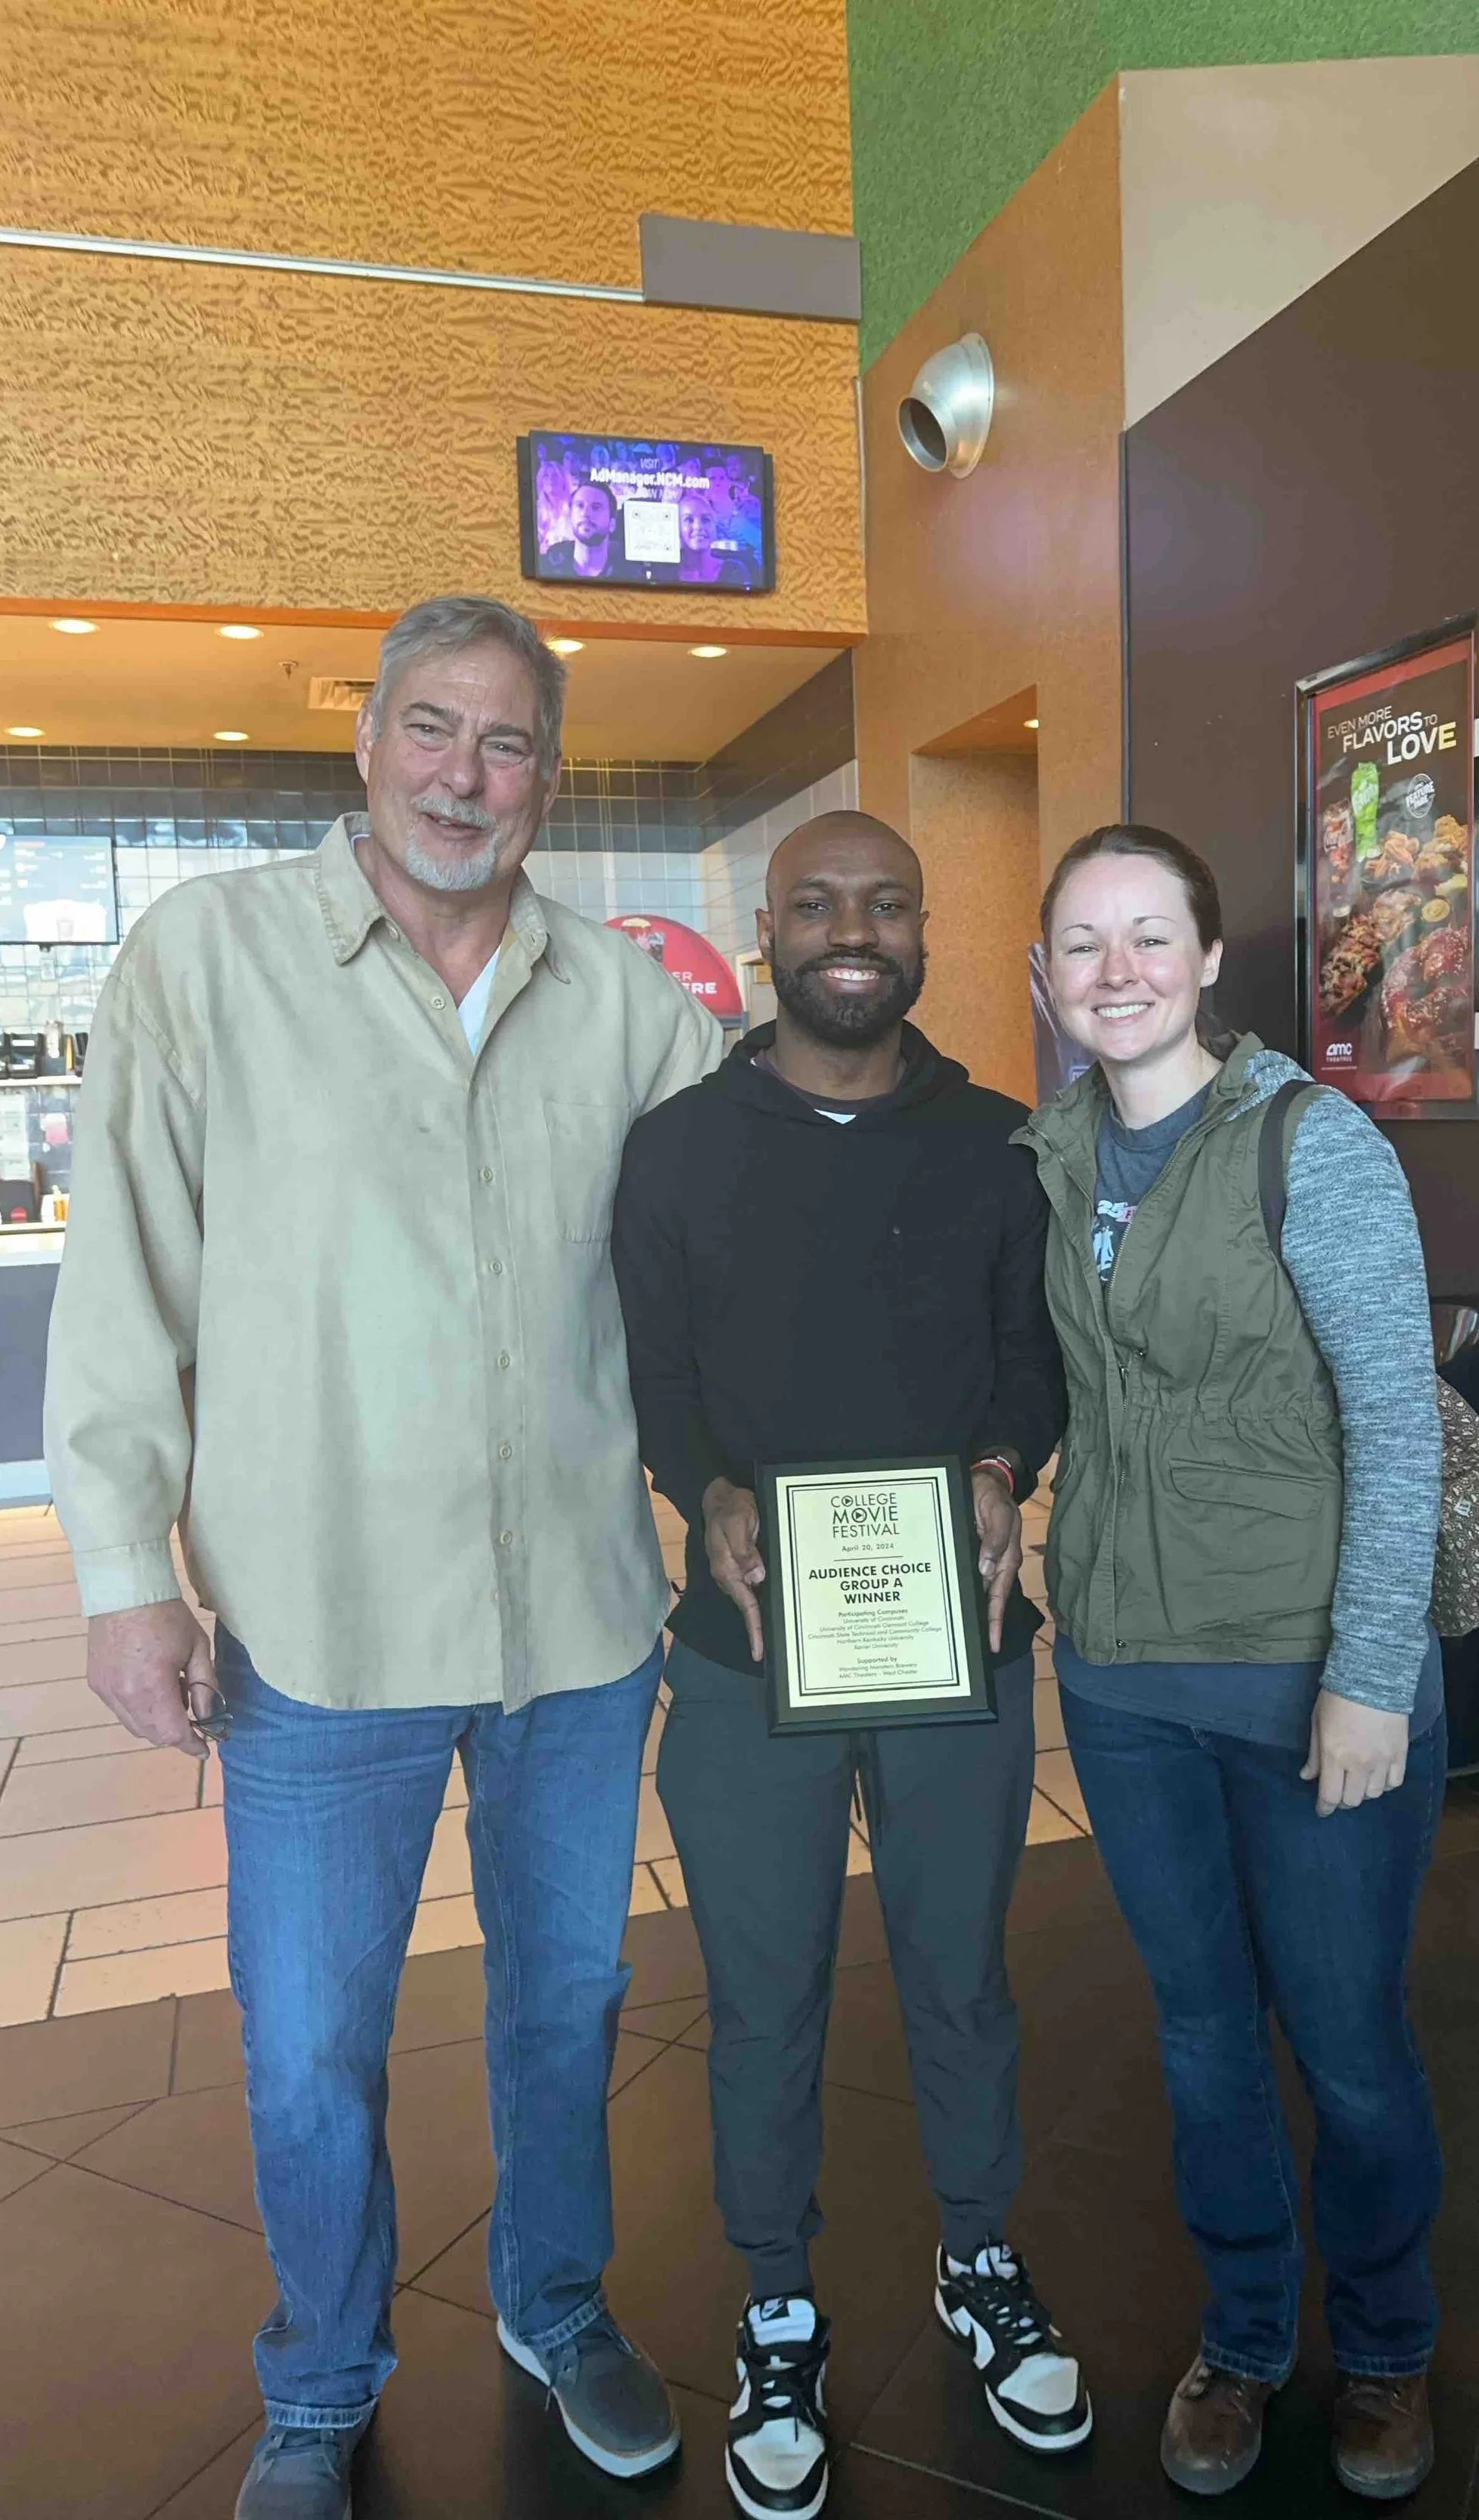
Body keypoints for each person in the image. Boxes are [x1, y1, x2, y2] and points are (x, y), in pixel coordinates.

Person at [45, 596, 722, 2519]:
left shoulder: (626, 998)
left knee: (567, 2005)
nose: (465, 776)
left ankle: (554, 2302)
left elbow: (744, 1228)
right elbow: (124, 1289)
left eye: (508, 746)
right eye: (433, 729)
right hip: (314, 1631)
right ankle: (324, 2383)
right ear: (365, 743)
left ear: (549, 781)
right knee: (312, 2042)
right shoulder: (210, 961)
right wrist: (120, 1566)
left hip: (580, 1628)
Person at [610, 812, 1091, 2520]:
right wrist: (709, 1492)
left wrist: (996, 1466)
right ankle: (778, 2307)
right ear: (766, 930)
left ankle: (978, 2257)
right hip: (748, 1655)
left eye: (885, 904)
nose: (852, 930)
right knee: (766, 1995)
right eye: (818, 904)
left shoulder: (999, 1146)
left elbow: (1033, 1366)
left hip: (956, 1641)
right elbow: (656, 1386)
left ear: (924, 933)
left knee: (961, 1970)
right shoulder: (672, 1152)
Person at [1020, 823, 1446, 2504]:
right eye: (1079, 944)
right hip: (1120, 1674)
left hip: (1299, 1673)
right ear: (1045, 975)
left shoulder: (1306, 1142)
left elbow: (1393, 1420)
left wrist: (1366, 1673)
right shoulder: (1049, 1151)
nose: (1111, 972)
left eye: (1146, 938)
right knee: (1200, 2037)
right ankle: (1248, 2333)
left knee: (1342, 2041)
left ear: (1206, 961)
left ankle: (1390, 2344)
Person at [541, 479, 620, 578]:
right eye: (580, 506)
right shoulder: (545, 568)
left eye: (596, 507)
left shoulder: (629, 575)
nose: (585, 513)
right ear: (570, 517)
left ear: (612, 524)